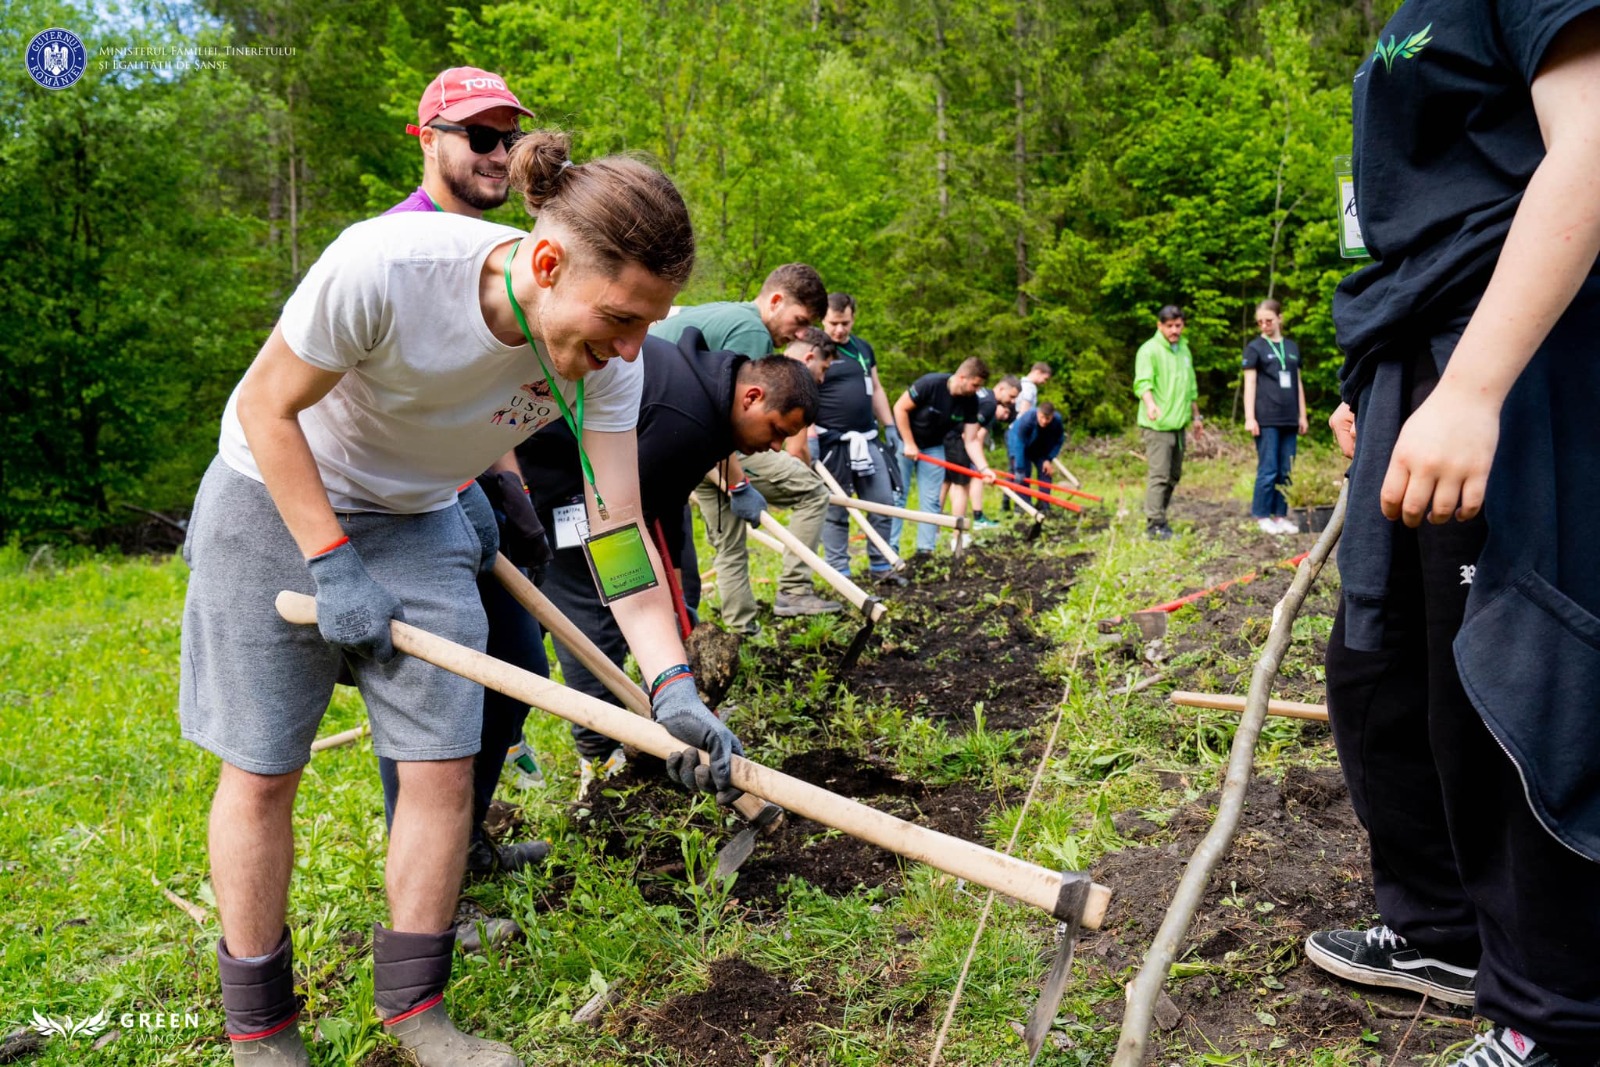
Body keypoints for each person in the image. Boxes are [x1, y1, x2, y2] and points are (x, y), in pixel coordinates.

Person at [179, 131, 743, 1067]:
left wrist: (672, 682)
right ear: (549, 261)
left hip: (416, 513)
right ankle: (262, 1033)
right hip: (271, 497)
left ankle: (414, 1012)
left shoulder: (613, 361)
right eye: (620, 317)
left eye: (651, 323)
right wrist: (328, 557)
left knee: (445, 759)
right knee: (265, 765)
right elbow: (265, 407)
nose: (631, 348)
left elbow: (616, 525)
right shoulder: (385, 267)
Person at [1308, 7, 1600, 1067]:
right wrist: (1385, 383)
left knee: (1509, 675)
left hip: (1517, 344)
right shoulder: (1412, 10)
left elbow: (1594, 144)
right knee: (1385, 662)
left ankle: (1557, 1014)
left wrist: (1475, 386)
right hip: (1419, 342)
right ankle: (1439, 929)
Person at [378, 66, 554, 888]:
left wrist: (508, 484)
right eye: (480, 137)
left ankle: (466, 847)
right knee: (433, 701)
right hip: (397, 510)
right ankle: (433, 887)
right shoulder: (392, 247)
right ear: (428, 139)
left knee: (517, 672)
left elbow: (485, 394)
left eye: (508, 139)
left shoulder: (505, 253)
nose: (499, 155)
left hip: (468, 491)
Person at [517, 330, 821, 770]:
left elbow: (665, 507)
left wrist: (674, 583)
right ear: (752, 397)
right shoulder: (688, 416)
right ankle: (599, 754)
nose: (776, 446)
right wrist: (648, 595)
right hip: (566, 485)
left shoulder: (710, 394)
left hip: (605, 483)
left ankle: (655, 711)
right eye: (777, 431)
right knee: (598, 610)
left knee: (656, 588)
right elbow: (623, 522)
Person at [651, 266, 840, 633]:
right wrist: (738, 485)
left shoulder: (724, 311)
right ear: (775, 300)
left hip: (685, 447)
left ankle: (741, 626)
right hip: (697, 444)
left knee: (728, 539)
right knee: (813, 492)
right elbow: (735, 415)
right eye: (800, 321)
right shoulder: (752, 332)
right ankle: (795, 591)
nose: (801, 335)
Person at [814, 299, 904, 583]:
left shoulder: (863, 348)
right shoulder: (813, 348)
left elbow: (876, 388)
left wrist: (890, 425)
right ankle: (840, 572)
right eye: (833, 324)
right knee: (836, 509)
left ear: (853, 319)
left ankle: (881, 567)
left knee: (882, 502)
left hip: (867, 438)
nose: (839, 330)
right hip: (832, 441)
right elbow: (801, 392)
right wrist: (808, 435)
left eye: (845, 323)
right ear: (822, 321)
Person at [889, 358, 995, 556]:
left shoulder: (971, 402)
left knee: (931, 499)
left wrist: (984, 469)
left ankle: (925, 551)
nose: (977, 389)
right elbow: (899, 408)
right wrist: (909, 443)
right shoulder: (930, 384)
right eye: (975, 385)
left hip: (934, 447)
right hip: (906, 441)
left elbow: (971, 440)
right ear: (962, 377)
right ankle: (890, 550)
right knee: (898, 496)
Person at [1133, 305, 1202, 540]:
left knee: (1173, 475)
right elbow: (1142, 383)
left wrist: (1196, 416)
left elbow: (1191, 387)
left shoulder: (1184, 350)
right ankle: (1154, 524)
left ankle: (1160, 516)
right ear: (1159, 325)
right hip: (1157, 424)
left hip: (1179, 423)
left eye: (1178, 325)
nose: (1174, 330)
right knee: (1159, 475)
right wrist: (1150, 403)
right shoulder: (1149, 350)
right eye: (1170, 326)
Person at [1242, 299, 1308, 534]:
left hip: (1290, 417)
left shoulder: (1291, 347)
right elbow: (1249, 383)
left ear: (1280, 318)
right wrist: (1250, 417)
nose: (1264, 325)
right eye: (1260, 322)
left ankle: (1280, 516)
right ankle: (1262, 515)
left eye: (1268, 320)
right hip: (1266, 418)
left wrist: (1303, 414)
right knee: (1268, 469)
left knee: (1285, 470)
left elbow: (1297, 382)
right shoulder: (1254, 348)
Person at [942, 376, 1020, 533]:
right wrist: (981, 466)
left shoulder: (983, 394)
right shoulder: (990, 404)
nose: (1011, 402)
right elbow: (972, 436)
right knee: (961, 487)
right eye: (1011, 397)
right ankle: (959, 535)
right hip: (958, 442)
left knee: (944, 484)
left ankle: (932, 531)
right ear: (1001, 389)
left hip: (947, 437)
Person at [1005, 361, 1052, 483]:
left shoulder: (1020, 383)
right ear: (1037, 372)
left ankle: (1006, 501)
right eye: (1045, 378)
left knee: (1013, 468)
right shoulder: (1030, 387)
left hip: (1014, 430)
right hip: (1019, 431)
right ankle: (1017, 500)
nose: (1044, 382)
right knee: (1020, 469)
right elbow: (1024, 411)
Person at [1013, 400, 1065, 488]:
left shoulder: (1057, 421)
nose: (1044, 421)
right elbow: (1019, 443)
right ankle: (1012, 500)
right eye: (1042, 417)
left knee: (1046, 471)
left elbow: (1059, 440)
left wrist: (1048, 458)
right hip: (1019, 441)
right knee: (1022, 474)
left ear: (1052, 416)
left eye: (1047, 418)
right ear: (1038, 413)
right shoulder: (1028, 419)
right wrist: (1019, 468)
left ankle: (1044, 501)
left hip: (1039, 446)